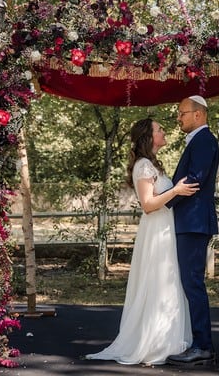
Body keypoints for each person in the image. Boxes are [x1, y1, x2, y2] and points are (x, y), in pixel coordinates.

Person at [85, 118, 199, 365]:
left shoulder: (154, 165)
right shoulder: (143, 166)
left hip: (165, 228)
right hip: (156, 230)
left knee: (167, 281)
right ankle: (153, 343)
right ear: (149, 137)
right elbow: (148, 205)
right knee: (157, 282)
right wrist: (176, 191)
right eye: (160, 129)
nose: (164, 131)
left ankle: (167, 338)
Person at [165, 95, 219, 367]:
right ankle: (200, 343)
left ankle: (203, 346)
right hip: (190, 221)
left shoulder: (204, 140)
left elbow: (195, 179)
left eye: (182, 113)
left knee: (193, 284)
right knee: (190, 283)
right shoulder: (199, 141)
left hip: (194, 223)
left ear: (198, 115)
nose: (179, 118)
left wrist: (164, 201)